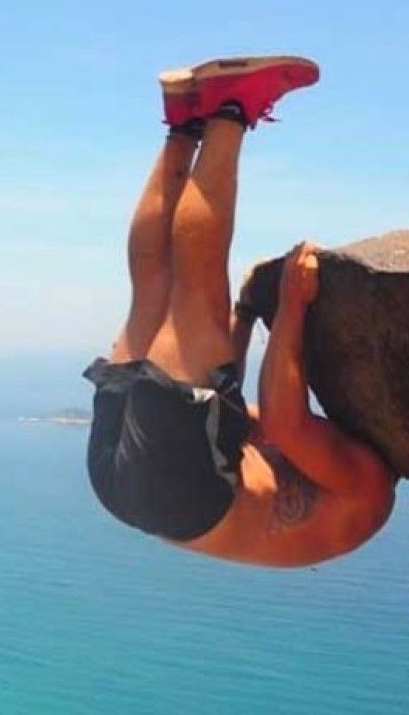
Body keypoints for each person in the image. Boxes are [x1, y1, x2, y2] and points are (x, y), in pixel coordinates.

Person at [83, 56, 396, 567]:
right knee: (154, 292)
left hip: (184, 496)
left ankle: (232, 106)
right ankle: (183, 123)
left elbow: (282, 421)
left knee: (192, 290)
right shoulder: (350, 495)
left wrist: (292, 303)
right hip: (130, 491)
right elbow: (222, 408)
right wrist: (245, 318)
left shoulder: (370, 488)